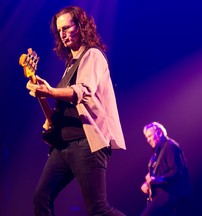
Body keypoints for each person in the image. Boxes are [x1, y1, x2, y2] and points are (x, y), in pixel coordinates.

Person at [25, 6, 126, 216]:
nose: (62, 34)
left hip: (86, 143)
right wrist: (44, 95)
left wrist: (51, 91)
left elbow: (83, 90)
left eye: (67, 27)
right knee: (41, 197)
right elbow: (55, 116)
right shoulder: (70, 66)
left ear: (80, 26)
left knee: (98, 209)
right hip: (63, 147)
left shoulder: (93, 55)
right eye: (58, 30)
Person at [140, 121, 192, 216]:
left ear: (159, 133)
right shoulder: (158, 150)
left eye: (150, 136)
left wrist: (159, 180)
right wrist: (147, 183)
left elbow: (176, 171)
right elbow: (157, 172)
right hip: (162, 197)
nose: (148, 140)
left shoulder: (170, 146)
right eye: (146, 137)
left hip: (169, 197)